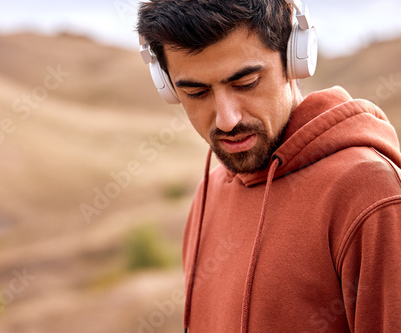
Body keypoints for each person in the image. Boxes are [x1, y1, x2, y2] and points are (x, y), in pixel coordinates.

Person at [137, 0, 401, 332]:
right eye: (197, 92)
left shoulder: (369, 194)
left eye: (246, 83)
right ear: (168, 87)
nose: (227, 119)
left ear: (294, 58)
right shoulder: (210, 192)